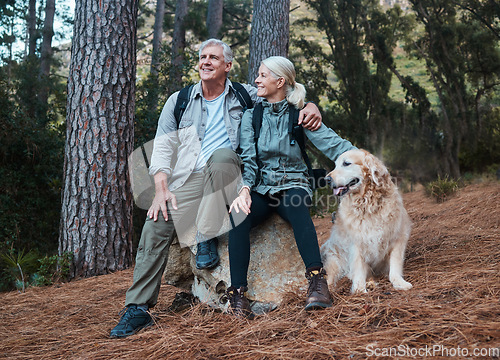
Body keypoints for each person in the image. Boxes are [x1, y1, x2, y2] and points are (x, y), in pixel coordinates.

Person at [110, 39, 323, 338]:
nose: (206, 62)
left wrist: (311, 106)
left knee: (222, 156)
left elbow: (284, 96)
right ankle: (137, 309)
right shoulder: (180, 100)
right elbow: (160, 152)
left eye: (213, 57)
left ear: (228, 66)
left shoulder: (246, 95)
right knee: (157, 221)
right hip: (190, 180)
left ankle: (205, 233)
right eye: (202, 57)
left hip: (232, 177)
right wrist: (161, 189)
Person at [225, 56, 356, 319]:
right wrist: (245, 190)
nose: (257, 80)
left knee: (298, 210)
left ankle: (317, 283)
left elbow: (334, 145)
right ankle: (237, 296)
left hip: (295, 183)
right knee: (237, 216)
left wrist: (364, 160)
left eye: (262, 75)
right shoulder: (253, 116)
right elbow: (249, 160)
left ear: (280, 81)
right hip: (262, 187)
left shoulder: (301, 114)